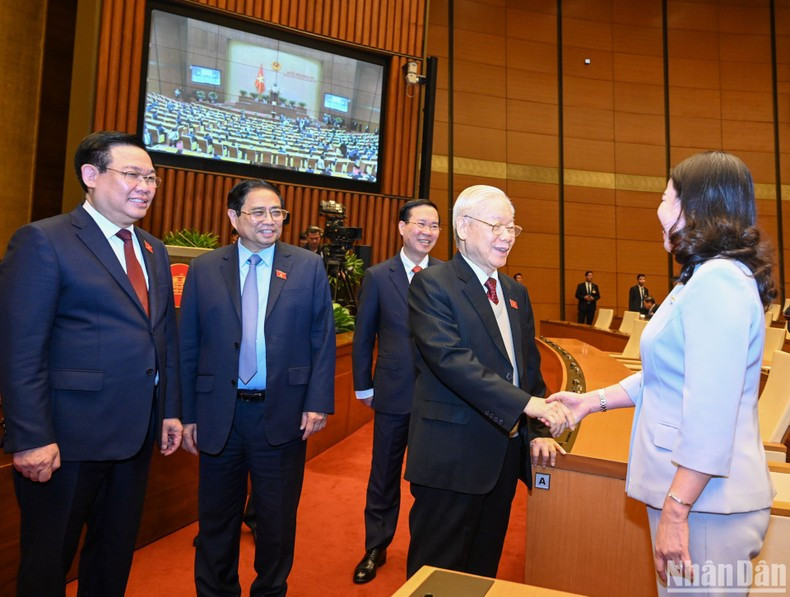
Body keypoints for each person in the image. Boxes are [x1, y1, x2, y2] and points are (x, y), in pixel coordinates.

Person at [548, 151, 776, 595]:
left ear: (698, 207)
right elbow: (667, 373)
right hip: (699, 498)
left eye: (667, 196)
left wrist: (676, 508)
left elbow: (711, 414)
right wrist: (589, 402)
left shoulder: (719, 282)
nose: (658, 209)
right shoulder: (700, 277)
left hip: (707, 505)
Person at [0, 130, 182, 596]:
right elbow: (21, 350)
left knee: (112, 560)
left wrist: (168, 410)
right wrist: (32, 436)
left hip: (134, 436)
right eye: (132, 175)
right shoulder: (44, 240)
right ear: (90, 175)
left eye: (152, 177)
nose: (145, 185)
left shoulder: (154, 250)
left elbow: (162, 337)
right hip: (66, 442)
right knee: (47, 565)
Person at [405, 185, 574, 578]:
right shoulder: (433, 284)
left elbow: (528, 371)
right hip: (451, 457)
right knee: (437, 573)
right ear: (463, 227)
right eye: (496, 225)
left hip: (502, 457)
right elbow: (452, 361)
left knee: (481, 572)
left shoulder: (515, 292)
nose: (507, 236)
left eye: (513, 227)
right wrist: (525, 405)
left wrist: (537, 431)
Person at [179, 179, 335, 597]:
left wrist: (317, 401)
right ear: (234, 217)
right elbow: (188, 345)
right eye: (259, 212)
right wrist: (187, 413)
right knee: (216, 521)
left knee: (276, 520)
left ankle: (270, 590)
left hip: (282, 412)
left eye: (277, 213)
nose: (270, 221)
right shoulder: (204, 268)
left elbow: (322, 337)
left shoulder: (307, 265)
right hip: (219, 415)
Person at [351, 199, 442, 584]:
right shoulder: (377, 275)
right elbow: (363, 337)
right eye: (421, 223)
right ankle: (376, 545)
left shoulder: (448, 275)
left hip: (439, 395)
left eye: (435, 225)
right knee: (384, 473)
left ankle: (430, 549)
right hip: (392, 391)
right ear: (402, 228)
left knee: (432, 476)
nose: (428, 231)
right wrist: (362, 386)